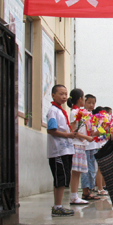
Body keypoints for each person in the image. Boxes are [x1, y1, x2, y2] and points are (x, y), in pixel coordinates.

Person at [46, 85, 77, 217]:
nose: (64, 96)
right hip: (58, 151)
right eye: (61, 94)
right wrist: (67, 135)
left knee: (64, 178)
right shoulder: (53, 111)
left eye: (66, 94)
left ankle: (58, 206)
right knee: (59, 178)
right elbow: (51, 130)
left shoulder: (61, 111)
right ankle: (57, 206)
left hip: (66, 150)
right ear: (53, 95)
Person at [67, 88, 95, 206]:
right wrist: (86, 137)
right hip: (76, 144)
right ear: (80, 99)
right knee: (76, 172)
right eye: (84, 98)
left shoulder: (81, 112)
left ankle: (75, 196)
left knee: (78, 172)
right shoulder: (74, 113)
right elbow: (73, 130)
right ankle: (74, 196)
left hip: (80, 144)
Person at [81, 94, 101, 201]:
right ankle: (86, 191)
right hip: (85, 146)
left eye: (93, 103)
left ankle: (91, 190)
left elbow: (93, 132)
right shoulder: (82, 115)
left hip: (93, 146)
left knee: (92, 169)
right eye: (89, 102)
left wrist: (102, 129)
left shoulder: (93, 117)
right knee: (86, 170)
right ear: (84, 102)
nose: (91, 105)